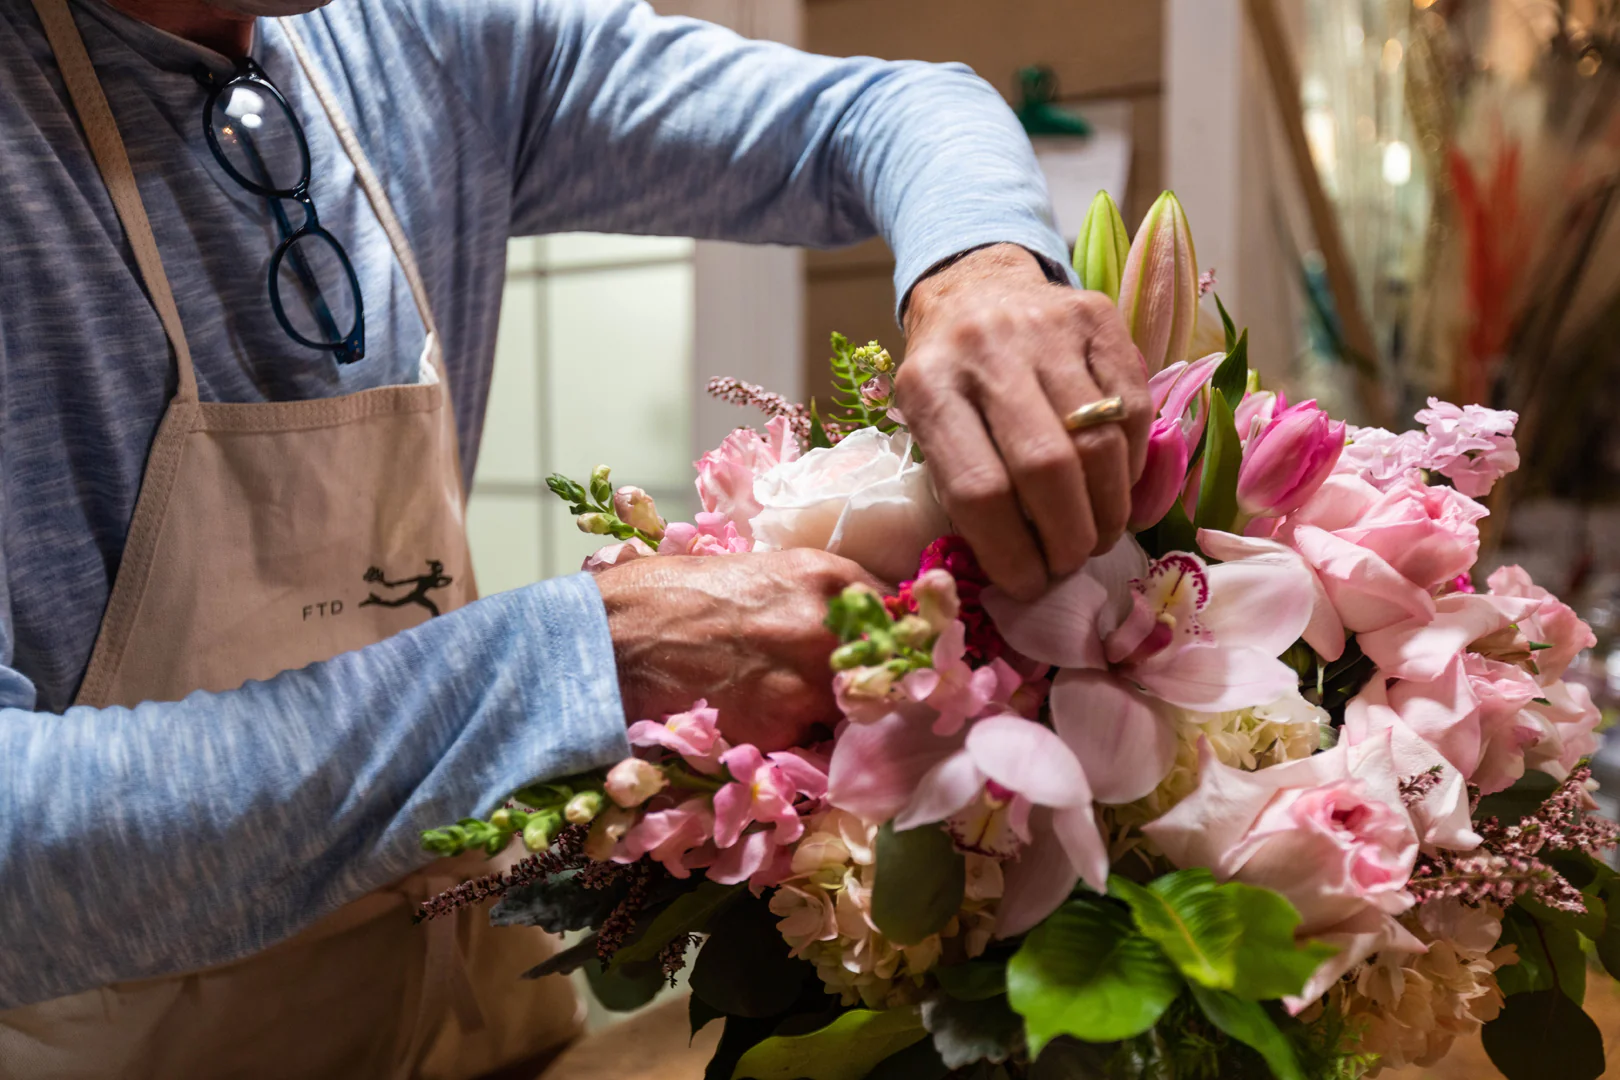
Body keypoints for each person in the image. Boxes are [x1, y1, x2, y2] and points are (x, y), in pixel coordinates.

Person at [0, 0, 1151, 1075]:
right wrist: (582, 660)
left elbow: (887, 112)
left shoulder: (420, 40)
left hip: (472, 1021)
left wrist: (979, 271)